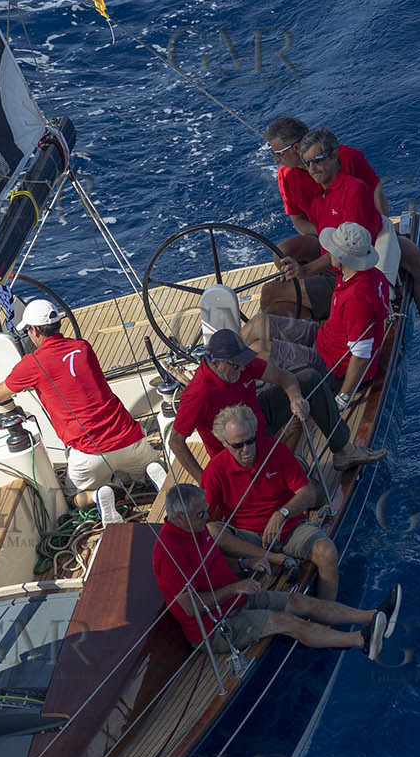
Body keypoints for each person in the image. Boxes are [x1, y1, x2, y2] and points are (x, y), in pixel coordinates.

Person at [261, 117, 420, 379]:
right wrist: (332, 234)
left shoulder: (347, 162)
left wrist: (377, 242)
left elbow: (377, 201)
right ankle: (311, 330)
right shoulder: (288, 177)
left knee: (417, 261)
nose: (275, 160)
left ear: (295, 148)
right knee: (282, 252)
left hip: (362, 236)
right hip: (329, 233)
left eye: (278, 153)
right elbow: (299, 222)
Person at [153, 482, 399, 658]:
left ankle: (373, 616)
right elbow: (189, 606)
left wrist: (244, 564)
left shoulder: (196, 529)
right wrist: (236, 587)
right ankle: (361, 641)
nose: (207, 517)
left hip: (236, 600)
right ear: (179, 517)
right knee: (285, 621)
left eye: (206, 511)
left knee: (299, 601)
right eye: (200, 514)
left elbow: (214, 563)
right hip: (214, 626)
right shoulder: (169, 553)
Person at [0, 298, 161, 510]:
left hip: (88, 454)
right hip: (129, 439)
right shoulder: (83, 347)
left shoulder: (32, 365)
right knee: (145, 469)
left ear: (34, 331)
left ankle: (98, 496)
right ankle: (152, 471)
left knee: (72, 500)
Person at [243, 221, 395, 422]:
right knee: (258, 324)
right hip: (325, 336)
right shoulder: (366, 275)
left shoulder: (357, 298)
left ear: (342, 258)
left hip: (330, 367)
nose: (327, 253)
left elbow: (361, 355)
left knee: (257, 351)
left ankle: (227, 388)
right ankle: (215, 367)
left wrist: (343, 397)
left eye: (331, 250)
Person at [202, 402, 345, 599]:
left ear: (255, 433)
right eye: (238, 445)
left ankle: (327, 617)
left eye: (250, 441)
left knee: (327, 552)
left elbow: (308, 492)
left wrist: (281, 514)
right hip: (248, 537)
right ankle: (276, 559)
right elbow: (202, 519)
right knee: (212, 530)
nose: (246, 449)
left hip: (289, 529)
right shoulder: (215, 471)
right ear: (224, 443)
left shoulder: (275, 450)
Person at [168, 328, 348, 484]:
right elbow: (175, 441)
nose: (244, 369)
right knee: (303, 486)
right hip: (241, 448)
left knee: (309, 378)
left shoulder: (239, 362)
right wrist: (204, 481)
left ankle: (343, 449)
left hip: (258, 416)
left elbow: (282, 376)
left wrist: (296, 398)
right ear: (215, 363)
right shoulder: (198, 394)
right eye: (236, 366)